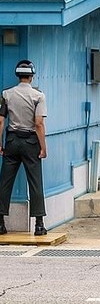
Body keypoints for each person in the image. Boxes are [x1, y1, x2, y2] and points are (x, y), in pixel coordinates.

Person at [0, 60, 48, 236]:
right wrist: (43, 147)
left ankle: (0, 223)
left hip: (12, 140)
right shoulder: (38, 96)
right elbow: (39, 124)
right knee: (35, 182)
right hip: (30, 142)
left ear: (18, 75)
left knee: (5, 182)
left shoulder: (6, 94)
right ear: (32, 76)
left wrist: (0, 143)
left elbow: (0, 120)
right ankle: (39, 225)